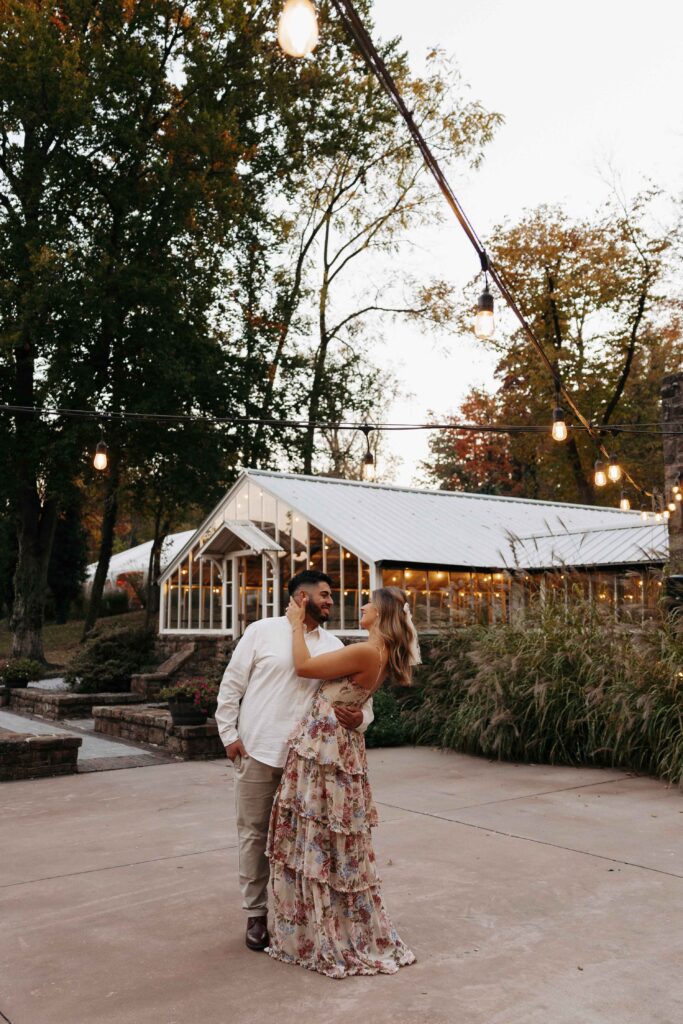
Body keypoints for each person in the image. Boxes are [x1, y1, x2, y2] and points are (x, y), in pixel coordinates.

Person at [215, 570, 374, 953]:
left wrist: (364, 720)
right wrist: (229, 735)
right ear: (300, 597)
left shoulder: (333, 644)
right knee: (253, 835)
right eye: (323, 594)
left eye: (331, 595)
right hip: (258, 752)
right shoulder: (262, 631)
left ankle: (298, 918)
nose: (330, 601)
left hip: (309, 766)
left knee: (305, 844)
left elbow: (362, 698)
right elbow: (232, 684)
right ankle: (256, 915)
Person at [265, 585, 418, 979]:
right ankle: (325, 923)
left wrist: (298, 625)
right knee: (332, 840)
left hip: (326, 751)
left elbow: (303, 666)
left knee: (318, 836)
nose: (362, 605)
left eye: (369, 602)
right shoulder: (376, 651)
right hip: (338, 748)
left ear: (382, 614)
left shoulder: (367, 650)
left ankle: (322, 932)